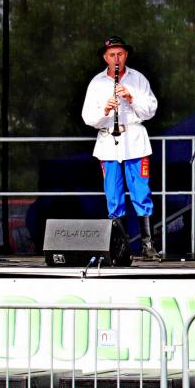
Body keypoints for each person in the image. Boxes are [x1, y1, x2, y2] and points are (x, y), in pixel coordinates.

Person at [81, 36, 161, 262]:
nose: (116, 59)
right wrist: (105, 110)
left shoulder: (138, 79)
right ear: (105, 57)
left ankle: (148, 245)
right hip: (108, 141)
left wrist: (131, 97)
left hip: (134, 139)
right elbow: (88, 118)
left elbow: (150, 110)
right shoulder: (97, 83)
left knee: (141, 193)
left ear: (126, 55)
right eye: (112, 55)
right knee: (113, 196)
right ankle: (119, 248)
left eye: (120, 54)